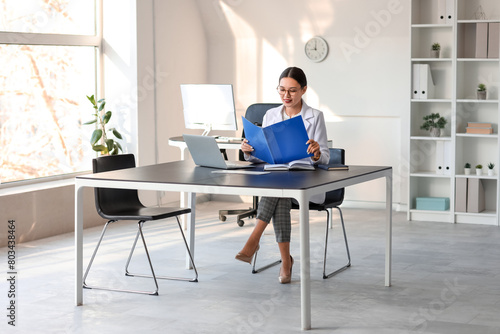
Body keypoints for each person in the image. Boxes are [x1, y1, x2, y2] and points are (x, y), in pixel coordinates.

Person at [235, 66, 330, 284]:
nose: (286, 96)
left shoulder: (315, 117)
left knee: (279, 192)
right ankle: (285, 262)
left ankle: (255, 238)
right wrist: (249, 151)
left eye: (293, 91)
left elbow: (324, 155)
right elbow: (263, 155)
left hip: (305, 178)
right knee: (280, 192)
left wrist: (316, 152)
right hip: (278, 174)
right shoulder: (270, 115)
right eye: (282, 90)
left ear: (304, 90)